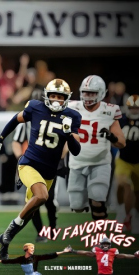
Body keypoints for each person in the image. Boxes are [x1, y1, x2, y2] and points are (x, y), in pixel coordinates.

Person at [0, 79, 82, 260]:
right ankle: (9, 230)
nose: (56, 100)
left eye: (60, 97)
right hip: (29, 163)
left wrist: (69, 134)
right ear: (46, 96)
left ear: (66, 99)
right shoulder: (35, 107)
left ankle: (5, 242)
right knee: (42, 196)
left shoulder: (73, 116)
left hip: (49, 171)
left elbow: (76, 151)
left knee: (29, 211)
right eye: (53, 96)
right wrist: (0, 139)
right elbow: (15, 120)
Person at [67, 75, 125, 220]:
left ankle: (102, 238)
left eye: (92, 92)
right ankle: (91, 205)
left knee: (98, 200)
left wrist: (111, 137)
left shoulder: (110, 110)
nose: (87, 96)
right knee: (77, 206)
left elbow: (122, 143)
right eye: (85, 92)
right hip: (77, 163)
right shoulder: (72, 107)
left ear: (101, 93)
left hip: (100, 163)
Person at [11, 89, 61, 243]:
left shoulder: (57, 118)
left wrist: (60, 157)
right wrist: (21, 158)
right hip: (32, 165)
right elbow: (16, 142)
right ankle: (41, 232)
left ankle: (52, 228)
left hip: (50, 164)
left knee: (50, 199)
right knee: (34, 200)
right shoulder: (26, 119)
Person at [115, 95, 139, 233]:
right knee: (124, 185)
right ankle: (122, 211)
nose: (134, 110)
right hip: (123, 159)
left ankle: (134, 215)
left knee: (137, 192)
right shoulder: (122, 120)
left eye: (136, 107)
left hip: (138, 161)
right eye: (132, 107)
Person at [69, 237, 139, 275]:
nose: (105, 245)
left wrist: (134, 256)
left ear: (110, 245)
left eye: (107, 244)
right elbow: (85, 252)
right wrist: (73, 251)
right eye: (104, 244)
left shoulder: (113, 251)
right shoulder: (97, 251)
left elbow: (124, 256)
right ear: (101, 244)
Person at [0, 243, 72, 275]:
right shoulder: (21, 259)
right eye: (31, 248)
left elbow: (49, 255)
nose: (33, 250)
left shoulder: (36, 257)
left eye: (33, 248)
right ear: (26, 249)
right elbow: (10, 261)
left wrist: (64, 251)